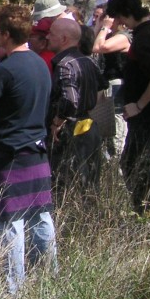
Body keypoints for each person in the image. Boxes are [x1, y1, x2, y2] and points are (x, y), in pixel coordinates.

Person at [0, 4, 56, 294]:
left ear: (6, 34)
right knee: (40, 215)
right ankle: (49, 278)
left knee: (9, 222)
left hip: (9, 152)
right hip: (37, 148)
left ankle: (13, 291)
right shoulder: (41, 64)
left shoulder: (4, 71)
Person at [106, 0, 150, 216]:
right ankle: (149, 213)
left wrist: (139, 105)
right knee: (137, 162)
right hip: (144, 114)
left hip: (147, 114)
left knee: (138, 163)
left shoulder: (145, 37)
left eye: (120, 17)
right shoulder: (147, 32)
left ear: (127, 12)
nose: (120, 23)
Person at [45, 17, 105, 202]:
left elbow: (70, 101)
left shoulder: (65, 64)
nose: (47, 37)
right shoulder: (88, 61)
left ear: (63, 39)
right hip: (89, 126)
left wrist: (57, 121)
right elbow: (101, 88)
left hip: (70, 131)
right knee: (87, 183)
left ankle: (70, 225)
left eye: (51, 34)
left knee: (66, 183)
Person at [92, 10, 131, 157]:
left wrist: (104, 27)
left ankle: (117, 162)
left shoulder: (124, 36)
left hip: (117, 84)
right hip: (104, 83)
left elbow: (99, 48)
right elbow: (91, 47)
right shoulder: (106, 36)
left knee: (115, 124)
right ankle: (108, 160)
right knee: (103, 126)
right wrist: (99, 28)